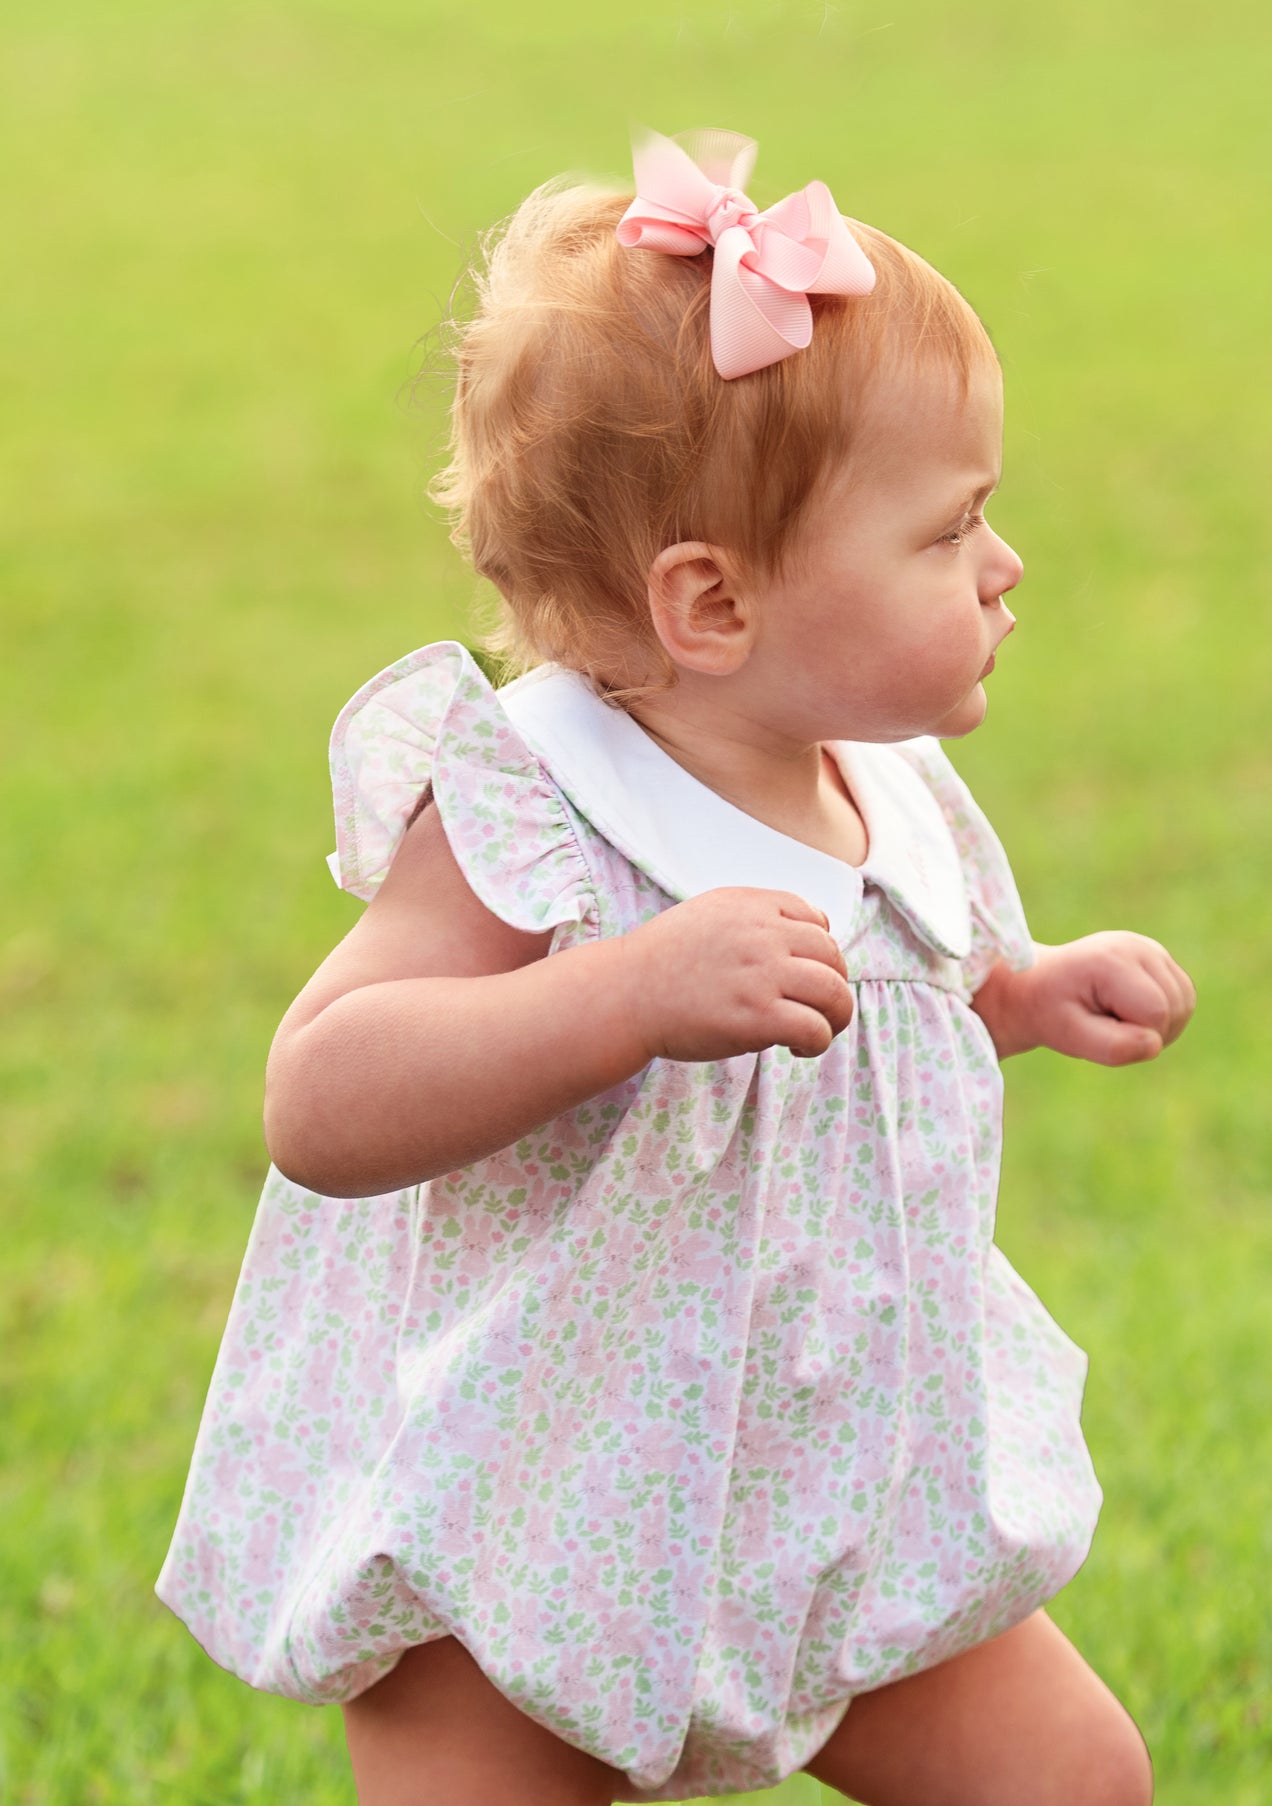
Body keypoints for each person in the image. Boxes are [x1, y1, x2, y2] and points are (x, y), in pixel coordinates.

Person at [156, 125, 1195, 1806]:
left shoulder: (872, 773)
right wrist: (620, 993)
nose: (1003, 570)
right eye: (946, 534)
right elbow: (318, 1098)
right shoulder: (534, 808)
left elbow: (868, 1001)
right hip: (529, 1515)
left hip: (830, 1491)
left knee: (1075, 1777)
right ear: (709, 603)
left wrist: (1017, 992)